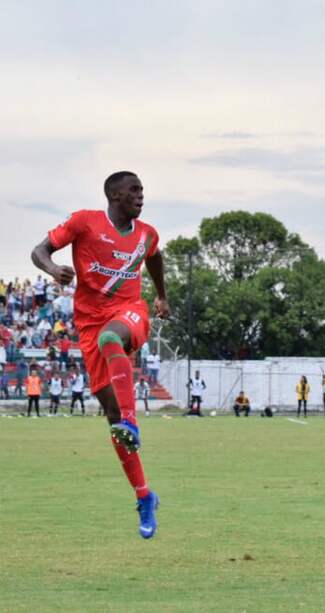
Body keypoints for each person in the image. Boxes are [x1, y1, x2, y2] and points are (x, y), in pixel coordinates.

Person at [31, 170, 170, 539]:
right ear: (114, 195)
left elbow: (154, 257)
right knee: (111, 419)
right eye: (134, 191)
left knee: (114, 338)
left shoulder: (146, 233)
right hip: (88, 325)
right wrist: (53, 269)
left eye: (142, 190)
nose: (141, 196)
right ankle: (144, 496)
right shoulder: (84, 223)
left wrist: (160, 296)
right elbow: (39, 251)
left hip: (129, 313)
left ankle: (132, 419)